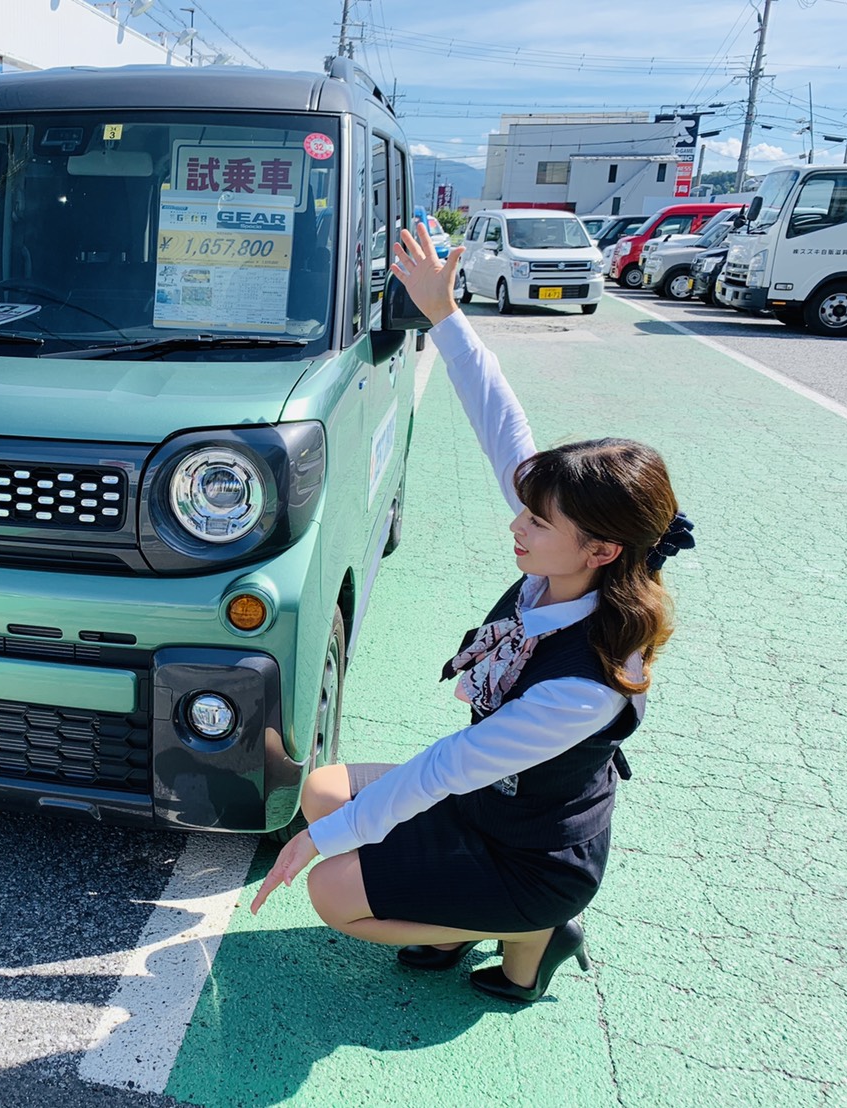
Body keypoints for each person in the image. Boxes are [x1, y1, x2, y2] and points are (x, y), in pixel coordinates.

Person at [249, 221, 695, 1004]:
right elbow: (504, 426)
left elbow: (446, 769)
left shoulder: (588, 683)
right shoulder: (566, 564)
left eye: (536, 522)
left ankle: (532, 932)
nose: (515, 525)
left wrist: (316, 846)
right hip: (491, 804)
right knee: (323, 787)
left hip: (533, 856)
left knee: (327, 889)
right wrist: (444, 315)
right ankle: (440, 920)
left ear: (601, 551)